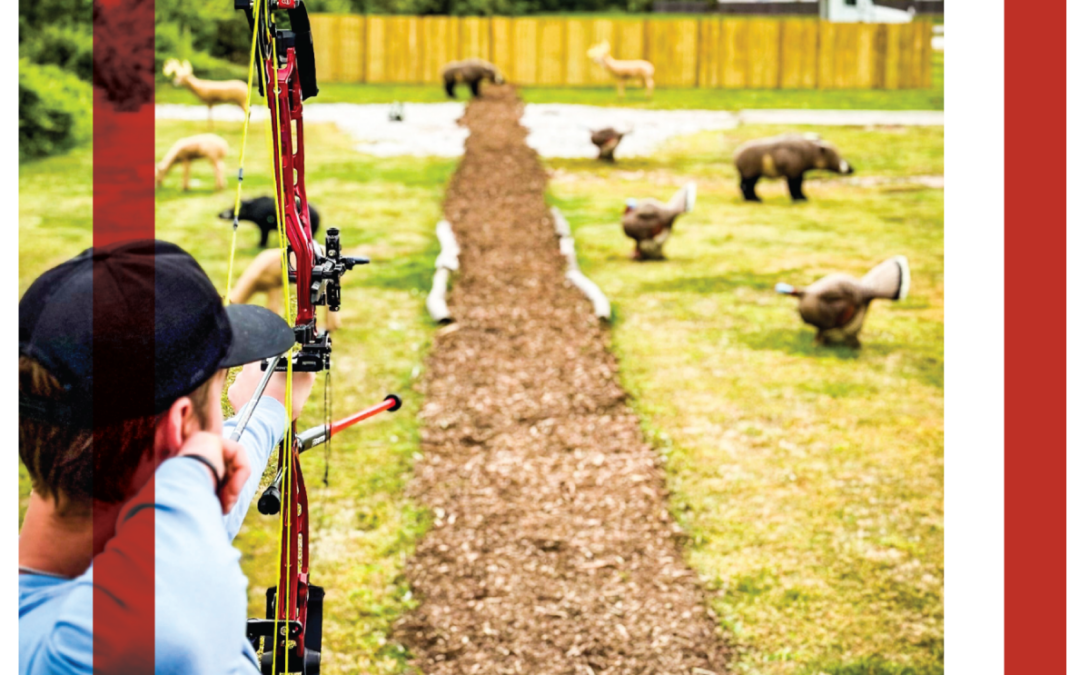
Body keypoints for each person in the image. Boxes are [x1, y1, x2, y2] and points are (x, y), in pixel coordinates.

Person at [17, 240, 316, 674]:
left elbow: (182, 517)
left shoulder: (161, 545)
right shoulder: (96, 647)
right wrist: (201, 461)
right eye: (218, 395)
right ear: (179, 433)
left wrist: (264, 412)